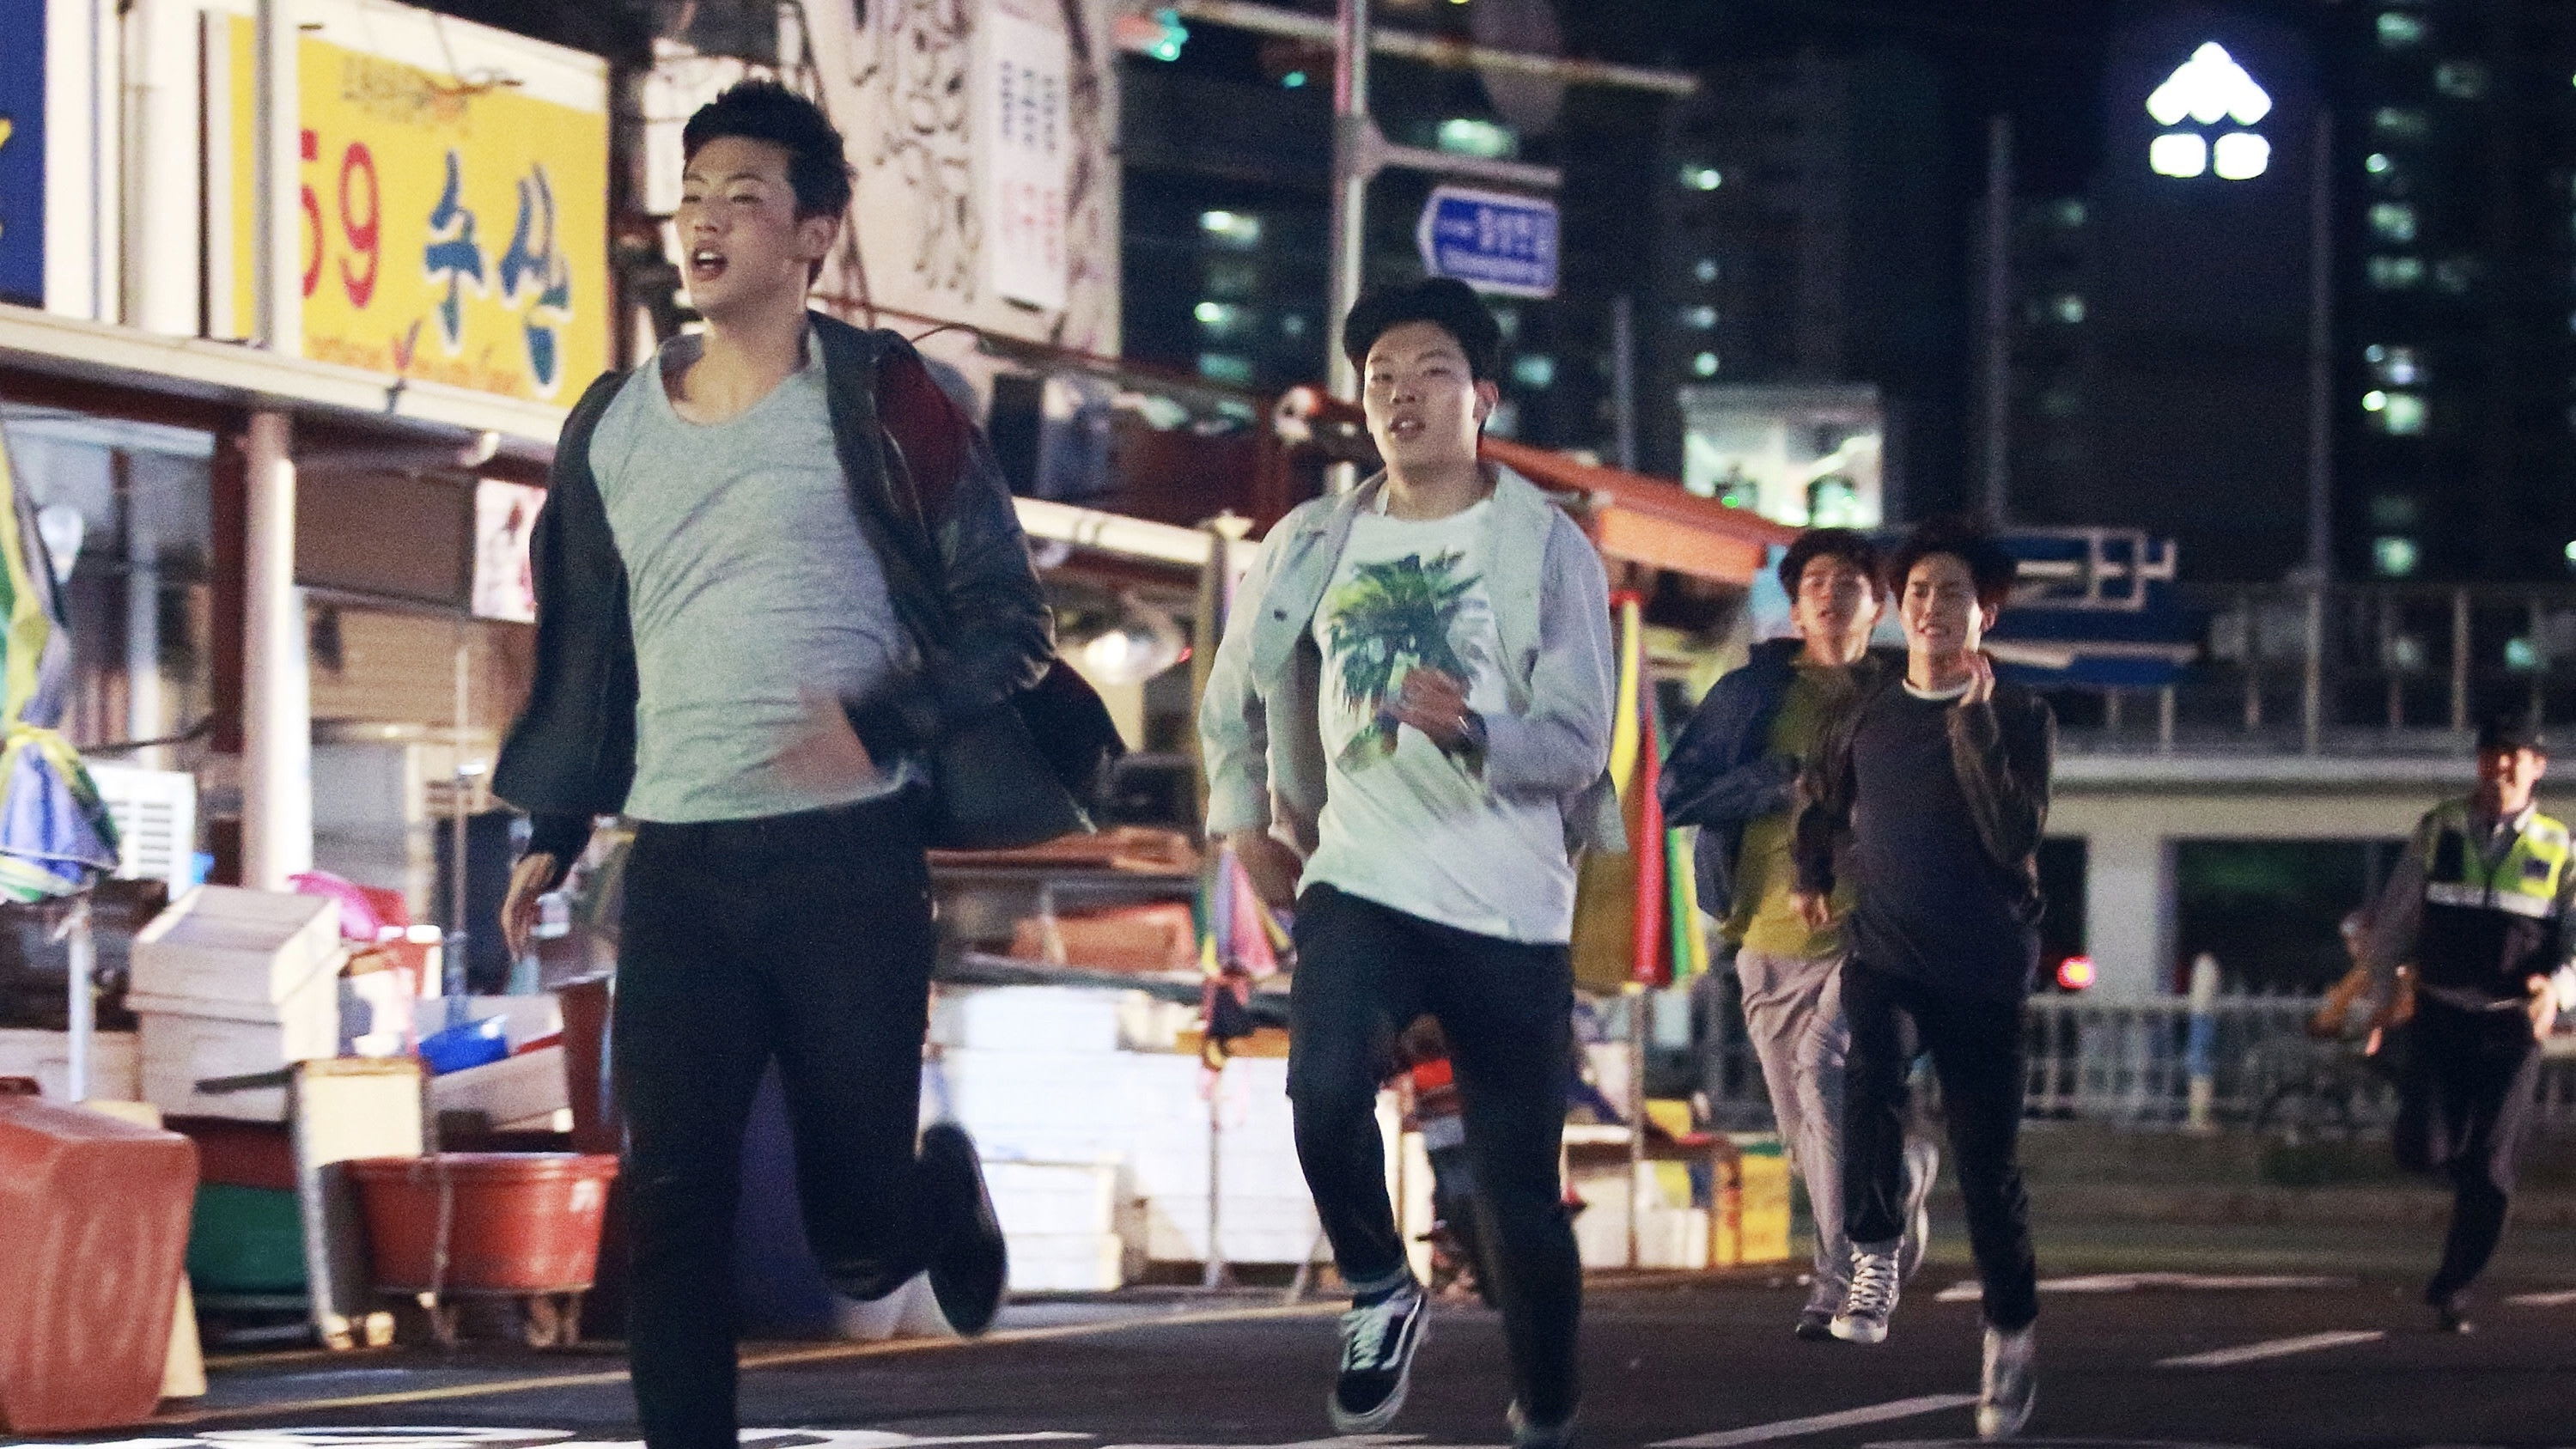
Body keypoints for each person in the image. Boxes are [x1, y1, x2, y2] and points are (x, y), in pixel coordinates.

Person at [490, 81, 1041, 1449]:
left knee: (854, 1234)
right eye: (692, 199)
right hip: (680, 866)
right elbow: (590, 643)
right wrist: (555, 818)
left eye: (743, 198)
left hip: (845, 858)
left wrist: (884, 723)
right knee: (672, 1206)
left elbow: (1007, 621)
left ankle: (935, 1195)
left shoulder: (883, 397)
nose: (707, 223)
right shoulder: (611, 423)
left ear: (813, 234)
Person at [1199, 277, 1621, 1449]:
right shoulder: (1310, 541)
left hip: (1509, 909)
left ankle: (1545, 1406)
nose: (1399, 395)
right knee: (1322, 1090)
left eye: (1429, 371)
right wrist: (1242, 822)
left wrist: (1474, 727)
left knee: (1518, 1203)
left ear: (1481, 397)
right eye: (1378, 377)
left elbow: (1580, 741)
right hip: (1360, 877)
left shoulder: (1546, 547)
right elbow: (1229, 696)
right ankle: (1381, 1284)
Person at [1792, 517, 2051, 1440]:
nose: (1932, 607)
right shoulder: (1865, 713)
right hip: (1886, 952)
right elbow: (1822, 797)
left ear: (1985, 614)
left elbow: (2012, 834)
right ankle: (1871, 1250)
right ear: (1899, 610)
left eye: (1952, 593)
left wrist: (1970, 721)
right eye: (1918, 593)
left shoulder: (2017, 716)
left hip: (1981, 970)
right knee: (1865, 1068)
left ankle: (2009, 1339)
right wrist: (1812, 873)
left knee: (1988, 1172)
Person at [1659, 528, 1937, 1343]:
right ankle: (1895, 1178)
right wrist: (1775, 782)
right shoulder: (1750, 694)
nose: (1829, 594)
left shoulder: (1900, 695)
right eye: (1813, 581)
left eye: (1848, 581)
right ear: (1792, 602)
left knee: (1821, 1079)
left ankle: (1840, 1280)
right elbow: (1677, 794)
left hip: (1872, 930)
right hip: (1765, 932)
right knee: (1803, 1126)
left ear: (1877, 604)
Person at [2358, 715, 2576, 1333]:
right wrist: (2383, 998)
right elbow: (2394, 920)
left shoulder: (2559, 846)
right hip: (2439, 1015)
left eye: (2515, 756)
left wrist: (2556, 992)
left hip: (2512, 1029)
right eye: (2490, 754)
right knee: (2420, 1148)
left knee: (2491, 1169)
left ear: (2538, 767)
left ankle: (2453, 1287)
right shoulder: (2439, 828)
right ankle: (2470, 1188)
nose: (2500, 766)